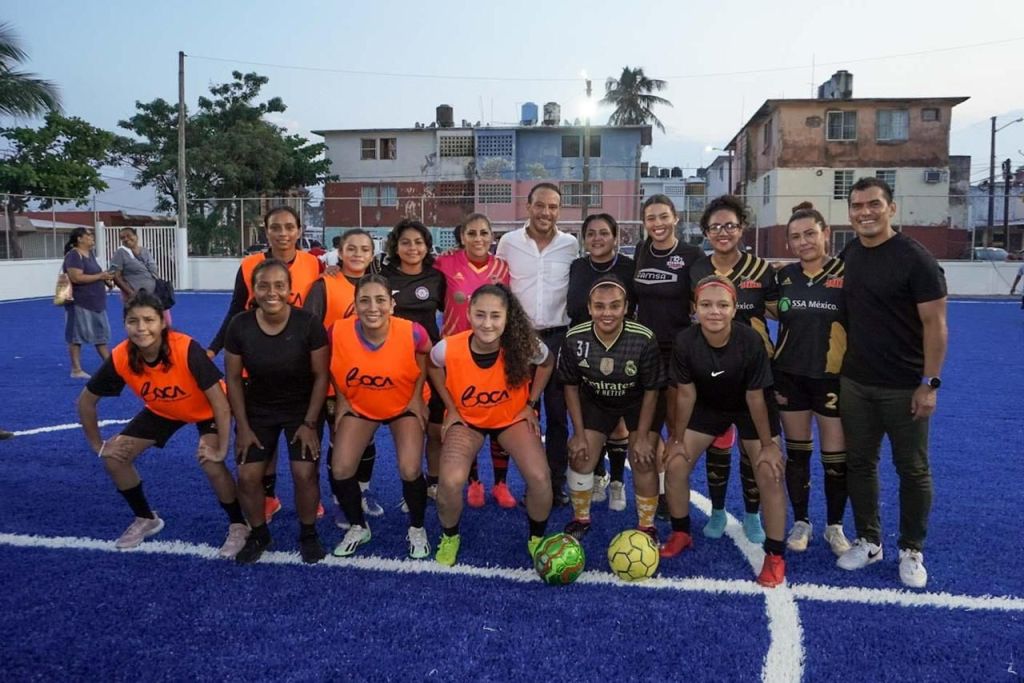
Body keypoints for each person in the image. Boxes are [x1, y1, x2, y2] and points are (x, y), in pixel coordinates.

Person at [836, 177, 948, 589]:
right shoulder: (849, 254)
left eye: (873, 204)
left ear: (891, 209)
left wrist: (929, 383)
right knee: (860, 463)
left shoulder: (916, 259)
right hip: (856, 383)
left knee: (913, 469)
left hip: (904, 386)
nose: (864, 212)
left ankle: (911, 548)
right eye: (857, 205)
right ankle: (869, 540)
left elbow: (936, 325)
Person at [75, 292, 247, 557]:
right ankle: (146, 518)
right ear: (125, 324)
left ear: (162, 322)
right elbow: (86, 402)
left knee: (211, 462)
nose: (141, 328)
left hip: (207, 411)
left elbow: (220, 404)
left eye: (149, 320)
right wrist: (99, 445)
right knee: (114, 458)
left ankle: (238, 524)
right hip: (164, 410)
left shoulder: (185, 348)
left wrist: (221, 448)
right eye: (133, 321)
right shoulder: (121, 355)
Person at [661, 275, 787, 588]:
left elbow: (756, 397)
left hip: (750, 407)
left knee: (769, 471)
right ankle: (681, 532)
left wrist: (769, 445)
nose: (714, 311)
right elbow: (685, 393)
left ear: (733, 308)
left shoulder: (750, 340)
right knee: (675, 464)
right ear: (695, 308)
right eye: (706, 305)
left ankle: (775, 554)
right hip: (709, 406)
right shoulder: (685, 341)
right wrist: (677, 439)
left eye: (722, 305)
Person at [209, 206, 324, 522]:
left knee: (304, 447)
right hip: (257, 365)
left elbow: (325, 303)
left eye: (289, 227)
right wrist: (213, 348)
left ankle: (309, 497)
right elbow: (235, 310)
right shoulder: (249, 265)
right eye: (276, 227)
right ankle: (269, 496)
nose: (283, 233)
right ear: (266, 230)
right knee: (264, 442)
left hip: (298, 362)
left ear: (299, 231)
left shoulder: (315, 264)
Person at [428, 284, 554, 566]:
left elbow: (547, 363)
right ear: (469, 314)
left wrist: (530, 403)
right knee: (450, 480)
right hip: (468, 420)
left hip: (511, 418)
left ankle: (536, 538)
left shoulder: (523, 344)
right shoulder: (448, 347)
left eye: (495, 316)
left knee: (539, 477)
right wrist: (451, 408)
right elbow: (433, 366)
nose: (487, 323)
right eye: (480, 315)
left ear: (507, 317)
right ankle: (450, 536)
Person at [224, 259, 330, 564]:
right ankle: (259, 534)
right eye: (263, 286)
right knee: (247, 476)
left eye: (279, 285)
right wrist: (243, 427)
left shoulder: (308, 323)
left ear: (290, 289)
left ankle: (308, 534)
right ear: (253, 289)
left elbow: (321, 376)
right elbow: (233, 378)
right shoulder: (239, 325)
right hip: (258, 409)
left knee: (304, 472)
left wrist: (310, 423)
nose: (271, 292)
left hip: (302, 409)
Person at [689, 195, 779, 543]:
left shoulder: (762, 270)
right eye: (715, 227)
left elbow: (780, 313)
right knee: (718, 443)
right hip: (713, 373)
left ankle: (752, 515)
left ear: (742, 228)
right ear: (706, 232)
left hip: (755, 373)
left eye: (730, 225)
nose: (723, 232)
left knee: (751, 447)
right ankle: (718, 511)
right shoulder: (698, 269)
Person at [327, 274, 432, 558]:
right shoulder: (337, 331)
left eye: (380, 300)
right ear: (354, 305)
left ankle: (417, 528)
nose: (373, 307)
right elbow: (331, 363)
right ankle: (358, 526)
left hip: (403, 404)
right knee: (341, 468)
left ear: (392, 304)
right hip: (362, 404)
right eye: (364, 300)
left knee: (410, 468)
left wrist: (416, 397)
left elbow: (425, 356)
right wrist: (342, 398)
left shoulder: (413, 331)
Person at [559, 276, 664, 541]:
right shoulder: (574, 338)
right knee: (580, 454)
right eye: (600, 306)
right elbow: (570, 386)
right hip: (597, 400)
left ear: (626, 307)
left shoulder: (643, 338)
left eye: (615, 306)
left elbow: (652, 390)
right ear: (589, 307)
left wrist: (642, 437)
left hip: (637, 401)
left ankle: (647, 526)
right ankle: (581, 518)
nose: (607, 313)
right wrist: (578, 434)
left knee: (643, 458)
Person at [774, 202, 851, 556]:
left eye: (810, 234)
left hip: (832, 378)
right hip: (790, 375)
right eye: (796, 237)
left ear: (826, 234)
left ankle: (834, 525)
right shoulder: (784, 277)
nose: (803, 241)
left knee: (835, 458)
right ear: (788, 242)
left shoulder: (847, 274)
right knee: (798, 453)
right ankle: (801, 521)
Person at [495, 183, 578, 505]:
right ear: (528, 206)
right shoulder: (509, 242)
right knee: (521, 414)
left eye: (553, 206)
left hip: (557, 339)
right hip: (518, 340)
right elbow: (496, 282)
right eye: (540, 205)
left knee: (557, 417)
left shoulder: (570, 244)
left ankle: (554, 483)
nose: (546, 212)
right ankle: (530, 480)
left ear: (559, 210)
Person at [632, 195, 706, 519]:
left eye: (663, 216)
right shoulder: (641, 250)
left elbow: (703, 295)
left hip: (677, 351)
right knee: (648, 426)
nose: (658, 223)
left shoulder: (691, 255)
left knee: (676, 428)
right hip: (645, 351)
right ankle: (660, 491)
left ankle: (675, 494)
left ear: (675, 217)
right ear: (644, 223)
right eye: (651, 218)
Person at [435, 213, 515, 508]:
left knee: (497, 414)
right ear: (462, 236)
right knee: (466, 415)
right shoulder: (445, 262)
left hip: (495, 352)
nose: (478, 239)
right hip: (458, 355)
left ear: (492, 236)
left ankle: (501, 483)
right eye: (472, 233)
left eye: (484, 233)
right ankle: (473, 482)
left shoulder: (503, 267)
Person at [304, 229, 384, 517]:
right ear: (339, 252)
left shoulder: (378, 285)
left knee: (367, 437)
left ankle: (363, 490)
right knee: (340, 439)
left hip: (369, 378)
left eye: (364, 249)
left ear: (372, 254)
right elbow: (309, 330)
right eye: (351, 248)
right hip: (334, 380)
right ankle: (341, 497)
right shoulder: (324, 284)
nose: (357, 254)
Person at [567, 213, 640, 511]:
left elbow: (636, 309)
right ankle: (599, 475)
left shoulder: (629, 267)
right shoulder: (577, 267)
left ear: (615, 237)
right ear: (584, 238)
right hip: (583, 349)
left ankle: (618, 481)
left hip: (619, 349)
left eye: (604, 233)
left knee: (618, 421)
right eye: (591, 233)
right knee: (590, 417)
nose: (597, 238)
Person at [377, 219, 446, 510]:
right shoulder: (383, 276)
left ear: (427, 246)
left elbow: (455, 310)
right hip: (396, 364)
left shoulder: (437, 277)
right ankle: (412, 484)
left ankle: (434, 482)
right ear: (396, 246)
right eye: (405, 242)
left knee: (435, 429)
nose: (412, 248)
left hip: (431, 363)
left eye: (418, 242)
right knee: (409, 428)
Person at [62, 227, 114, 379]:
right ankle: (76, 369)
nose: (92, 237)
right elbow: (76, 278)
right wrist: (100, 276)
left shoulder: (89, 254)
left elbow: (94, 273)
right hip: (80, 302)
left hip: (95, 301)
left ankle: (111, 365)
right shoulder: (74, 255)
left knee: (100, 335)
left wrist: (104, 279)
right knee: (76, 336)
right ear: (79, 239)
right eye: (89, 235)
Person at [110, 227, 168, 322]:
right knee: (141, 321)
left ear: (136, 236)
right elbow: (115, 276)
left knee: (164, 321)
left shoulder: (145, 251)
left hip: (155, 294)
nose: (126, 239)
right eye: (122, 238)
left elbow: (153, 270)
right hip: (137, 297)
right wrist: (131, 293)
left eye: (129, 235)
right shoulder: (120, 253)